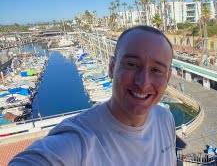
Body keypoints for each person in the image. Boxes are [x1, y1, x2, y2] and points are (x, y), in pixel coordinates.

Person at [9, 26, 176, 166]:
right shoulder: (79, 141)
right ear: (111, 68)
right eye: (131, 64)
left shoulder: (165, 119)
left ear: (167, 78)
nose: (144, 82)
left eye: (156, 70)